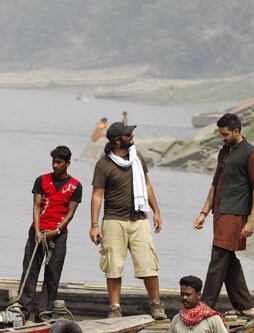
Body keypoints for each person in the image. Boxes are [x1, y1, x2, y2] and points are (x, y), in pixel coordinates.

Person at [89, 122, 167, 320]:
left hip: (140, 219)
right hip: (113, 221)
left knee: (148, 264)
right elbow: (97, 195)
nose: (132, 136)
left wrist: (156, 210)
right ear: (117, 141)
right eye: (128, 134)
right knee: (113, 267)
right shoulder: (103, 164)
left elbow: (147, 185)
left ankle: (157, 306)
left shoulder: (137, 157)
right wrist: (94, 225)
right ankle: (115, 309)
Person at [193, 113, 254, 318]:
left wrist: (251, 220)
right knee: (228, 258)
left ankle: (204, 306)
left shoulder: (252, 154)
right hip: (220, 212)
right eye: (220, 134)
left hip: (236, 213)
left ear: (237, 131)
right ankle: (245, 307)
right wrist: (203, 212)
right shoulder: (224, 152)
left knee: (218, 256)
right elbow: (215, 184)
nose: (222, 138)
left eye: (225, 134)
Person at [19, 146, 82, 321]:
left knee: (52, 275)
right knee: (30, 271)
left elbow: (70, 212)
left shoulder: (75, 186)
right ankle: (24, 310)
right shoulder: (41, 180)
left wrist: (57, 231)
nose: (55, 165)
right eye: (54, 161)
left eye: (59, 162)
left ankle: (43, 313)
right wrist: (38, 231)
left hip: (58, 235)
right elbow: (37, 206)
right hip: (37, 233)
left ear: (68, 163)